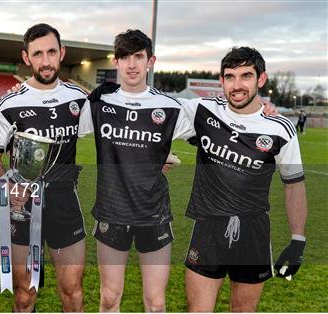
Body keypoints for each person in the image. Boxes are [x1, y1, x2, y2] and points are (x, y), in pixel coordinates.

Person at [179, 47, 307, 312]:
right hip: (208, 228)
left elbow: (294, 184)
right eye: (230, 76)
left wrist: (297, 240)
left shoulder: (280, 128)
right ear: (222, 81)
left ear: (261, 79)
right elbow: (152, 117)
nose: (237, 85)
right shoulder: (202, 111)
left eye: (245, 76)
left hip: (253, 232)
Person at [78, 29, 195, 312]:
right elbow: (57, 125)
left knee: (156, 303)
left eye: (139, 57)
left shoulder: (170, 107)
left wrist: (260, 107)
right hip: (111, 211)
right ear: (116, 62)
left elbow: (220, 121)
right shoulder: (97, 104)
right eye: (125, 57)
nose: (132, 64)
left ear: (150, 61)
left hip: (153, 213)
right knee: (109, 298)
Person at [0, 23, 86, 312]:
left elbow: (113, 134)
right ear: (26, 57)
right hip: (23, 208)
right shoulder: (8, 104)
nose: (45, 60)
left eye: (51, 52)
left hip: (65, 203)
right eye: (37, 53)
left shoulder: (79, 99)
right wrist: (8, 186)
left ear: (62, 53)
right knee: (24, 294)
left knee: (73, 292)